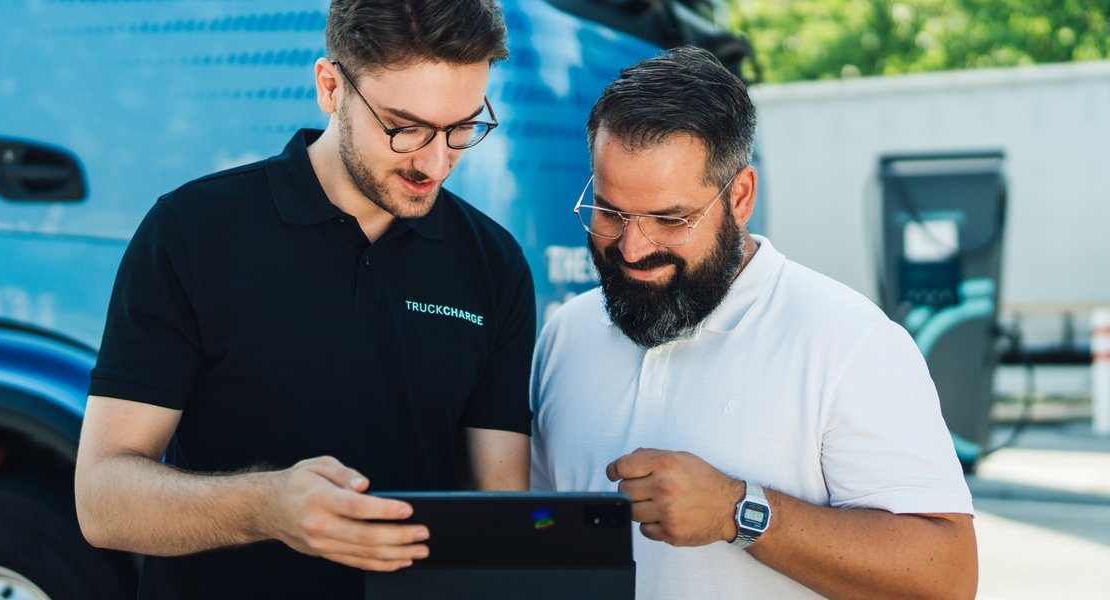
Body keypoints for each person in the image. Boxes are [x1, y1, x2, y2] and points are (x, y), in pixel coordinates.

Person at [74, 1, 535, 598]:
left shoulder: (493, 265)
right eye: (406, 126)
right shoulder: (192, 232)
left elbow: (502, 517)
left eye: (463, 126)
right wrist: (268, 507)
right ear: (330, 87)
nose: (436, 160)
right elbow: (102, 503)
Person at [530, 46, 977, 599]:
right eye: (609, 211)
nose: (632, 247)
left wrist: (737, 510)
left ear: (739, 197)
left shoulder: (850, 341)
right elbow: (539, 525)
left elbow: (947, 577)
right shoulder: (566, 333)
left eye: (670, 219)